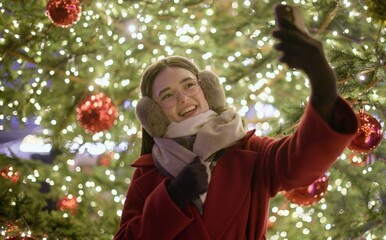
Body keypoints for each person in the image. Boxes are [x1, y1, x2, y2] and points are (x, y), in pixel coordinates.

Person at [114, 4, 358, 240]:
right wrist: (172, 198)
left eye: (189, 85)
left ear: (207, 90)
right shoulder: (148, 174)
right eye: (167, 95)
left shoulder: (250, 150)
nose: (183, 98)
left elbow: (299, 162)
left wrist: (323, 84)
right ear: (153, 113)